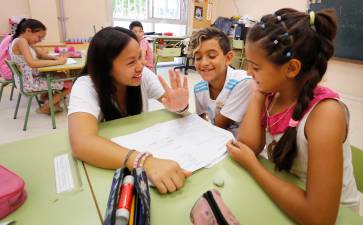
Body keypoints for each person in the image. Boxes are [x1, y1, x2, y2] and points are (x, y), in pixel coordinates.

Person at [226, 8, 360, 225]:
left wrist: (254, 166)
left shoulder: (325, 115)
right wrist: (258, 95)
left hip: (336, 217)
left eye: (256, 67)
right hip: (285, 194)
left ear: (291, 69)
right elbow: (248, 146)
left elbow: (320, 218)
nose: (249, 73)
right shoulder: (273, 93)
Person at [68, 27, 191, 194]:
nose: (140, 66)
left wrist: (180, 106)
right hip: (108, 167)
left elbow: (171, 102)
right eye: (131, 62)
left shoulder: (143, 75)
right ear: (106, 67)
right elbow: (81, 143)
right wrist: (145, 162)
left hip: (140, 148)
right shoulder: (86, 86)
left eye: (140, 57)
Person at [189, 27, 252, 137]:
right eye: (198, 57)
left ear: (228, 58)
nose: (203, 63)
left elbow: (220, 124)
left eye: (211, 56)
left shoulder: (243, 82)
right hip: (216, 141)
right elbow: (200, 119)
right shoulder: (199, 88)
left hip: (242, 146)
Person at [8, 18, 70, 114]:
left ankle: (45, 97)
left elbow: (40, 55)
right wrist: (59, 62)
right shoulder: (21, 41)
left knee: (62, 75)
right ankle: (45, 108)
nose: (40, 40)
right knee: (70, 84)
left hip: (30, 79)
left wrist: (55, 58)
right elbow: (32, 63)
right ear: (28, 31)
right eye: (39, 37)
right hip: (29, 83)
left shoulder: (26, 42)